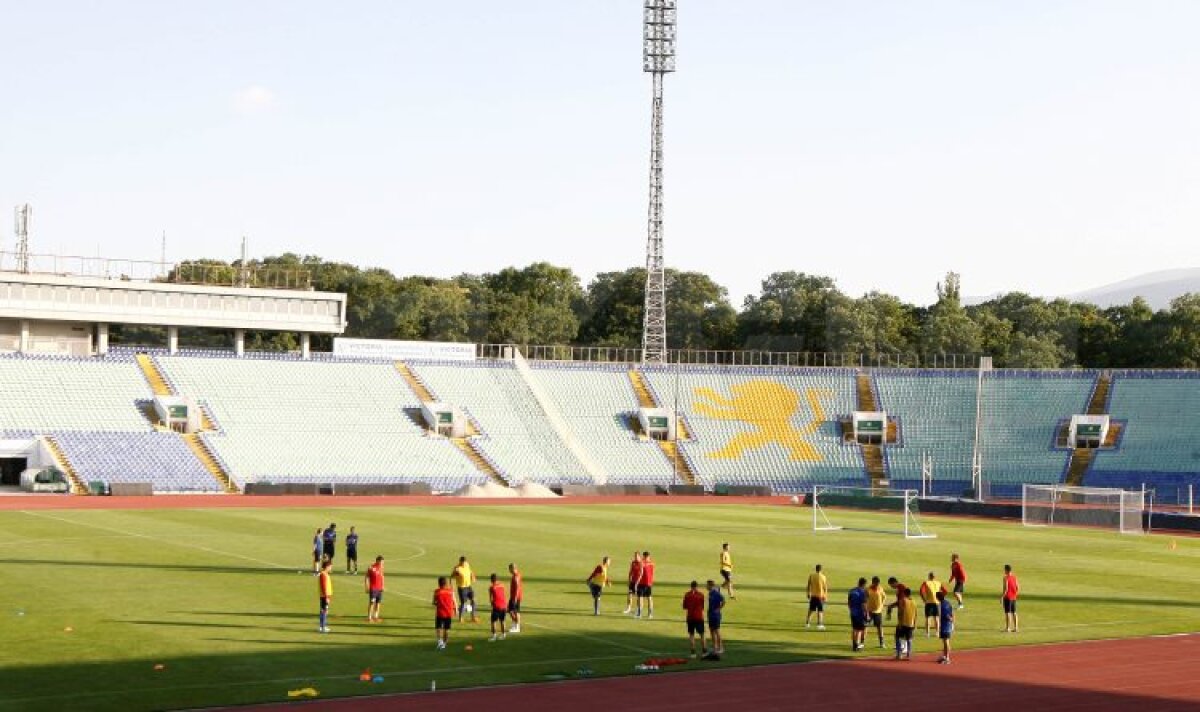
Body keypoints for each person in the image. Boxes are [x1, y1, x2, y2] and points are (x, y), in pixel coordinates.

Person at [682, 580, 707, 658]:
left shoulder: (687, 595)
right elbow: (703, 606)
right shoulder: (701, 595)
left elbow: (684, 606)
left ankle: (693, 653)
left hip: (690, 617)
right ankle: (704, 651)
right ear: (697, 586)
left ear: (691, 586)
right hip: (699, 617)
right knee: (702, 634)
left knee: (691, 635)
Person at [451, 556, 479, 623]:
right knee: (463, 603)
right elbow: (452, 576)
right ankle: (460, 618)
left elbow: (470, 571)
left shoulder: (467, 564)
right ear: (460, 561)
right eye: (463, 562)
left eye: (465, 562)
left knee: (473, 600)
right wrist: (452, 582)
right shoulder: (457, 568)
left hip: (468, 586)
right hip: (462, 588)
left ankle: (473, 617)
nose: (464, 563)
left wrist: (473, 576)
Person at [433, 576, 457, 650]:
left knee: (438, 628)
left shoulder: (437, 592)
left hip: (440, 613)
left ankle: (440, 641)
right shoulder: (451, 591)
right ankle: (444, 644)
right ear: (446, 583)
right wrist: (456, 609)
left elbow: (434, 602)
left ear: (439, 584)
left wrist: (438, 603)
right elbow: (454, 600)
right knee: (446, 629)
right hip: (449, 613)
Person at [918, 572, 945, 637]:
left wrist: (924, 599)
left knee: (928, 618)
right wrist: (941, 598)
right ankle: (937, 633)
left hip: (929, 602)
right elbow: (945, 591)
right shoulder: (938, 583)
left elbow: (921, 591)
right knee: (937, 618)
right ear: (935, 577)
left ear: (929, 576)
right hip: (937, 602)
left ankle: (927, 633)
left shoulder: (926, 582)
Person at [894, 585, 916, 660]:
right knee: (909, 639)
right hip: (911, 623)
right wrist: (914, 624)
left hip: (903, 623)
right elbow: (915, 614)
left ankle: (899, 654)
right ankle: (909, 654)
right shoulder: (914, 602)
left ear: (904, 593)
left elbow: (900, 612)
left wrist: (900, 623)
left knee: (898, 638)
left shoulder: (902, 600)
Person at [866, 576, 888, 648]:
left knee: (879, 627)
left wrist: (882, 605)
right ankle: (862, 642)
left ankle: (882, 643)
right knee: (865, 626)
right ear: (873, 583)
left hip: (878, 611)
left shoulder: (880, 588)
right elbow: (865, 600)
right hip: (869, 611)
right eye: (876, 584)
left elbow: (884, 596)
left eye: (878, 584)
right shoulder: (868, 589)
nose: (877, 585)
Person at [848, 577, 868, 651]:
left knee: (854, 629)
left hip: (853, 612)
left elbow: (849, 603)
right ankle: (857, 645)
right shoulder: (863, 592)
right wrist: (867, 614)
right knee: (859, 630)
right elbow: (864, 605)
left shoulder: (851, 591)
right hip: (860, 614)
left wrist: (851, 610)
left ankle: (854, 645)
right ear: (864, 584)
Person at [805, 564, 828, 630]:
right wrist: (825, 596)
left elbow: (809, 585)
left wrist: (808, 593)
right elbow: (825, 587)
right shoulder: (823, 577)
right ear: (821, 569)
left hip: (813, 595)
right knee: (820, 611)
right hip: (820, 596)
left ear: (816, 569)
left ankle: (807, 623)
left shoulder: (811, 576)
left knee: (811, 610)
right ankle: (819, 624)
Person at [706, 579, 725, 655]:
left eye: (707, 585)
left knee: (717, 631)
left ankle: (721, 648)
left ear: (711, 585)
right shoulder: (710, 593)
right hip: (710, 615)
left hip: (716, 616)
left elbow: (723, 601)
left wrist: (718, 609)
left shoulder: (716, 593)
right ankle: (715, 647)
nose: (706, 586)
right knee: (711, 631)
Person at [487, 573, 508, 642]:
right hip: (504, 605)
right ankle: (503, 635)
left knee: (493, 621)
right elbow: (503, 594)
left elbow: (491, 599)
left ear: (491, 580)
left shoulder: (491, 587)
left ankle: (494, 636)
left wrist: (492, 605)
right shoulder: (502, 585)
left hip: (496, 606)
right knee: (502, 621)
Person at [364, 555, 385, 622]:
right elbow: (367, 577)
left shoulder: (381, 568)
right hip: (373, 588)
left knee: (378, 603)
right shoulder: (371, 567)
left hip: (379, 588)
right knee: (372, 603)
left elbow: (382, 577)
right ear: (377, 561)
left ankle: (376, 617)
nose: (382, 563)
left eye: (383, 562)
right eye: (381, 562)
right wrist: (366, 587)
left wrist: (383, 586)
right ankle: (369, 617)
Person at [937, 590, 955, 664]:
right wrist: (952, 622)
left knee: (946, 642)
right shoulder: (948, 603)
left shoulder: (941, 605)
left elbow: (946, 615)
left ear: (938, 597)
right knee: (945, 642)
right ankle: (945, 656)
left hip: (945, 626)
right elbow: (952, 613)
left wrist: (950, 620)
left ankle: (947, 658)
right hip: (948, 625)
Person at [1002, 564, 1020, 633]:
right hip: (1013, 597)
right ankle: (1016, 628)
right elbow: (1017, 587)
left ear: (1006, 570)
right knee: (1014, 612)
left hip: (1007, 597)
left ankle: (1008, 628)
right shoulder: (1014, 577)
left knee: (1007, 613)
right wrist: (1015, 594)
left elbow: (1005, 589)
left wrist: (1002, 597)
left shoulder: (1005, 578)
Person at [637, 551, 656, 619]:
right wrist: (651, 581)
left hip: (642, 583)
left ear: (644, 556)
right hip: (649, 583)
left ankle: (639, 614)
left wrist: (637, 582)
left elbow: (641, 573)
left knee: (640, 598)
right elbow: (653, 573)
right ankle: (650, 614)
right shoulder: (652, 563)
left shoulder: (642, 563)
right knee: (649, 598)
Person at [317, 559, 333, 633]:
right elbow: (323, 586)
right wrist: (326, 597)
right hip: (324, 596)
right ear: (327, 566)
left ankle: (322, 626)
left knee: (324, 610)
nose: (331, 568)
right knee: (324, 611)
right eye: (330, 567)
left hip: (325, 596)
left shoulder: (325, 574)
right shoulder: (323, 574)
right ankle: (323, 626)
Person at [507, 563, 523, 633]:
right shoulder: (515, 575)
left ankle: (517, 627)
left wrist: (515, 598)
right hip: (513, 597)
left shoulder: (516, 576)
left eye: (509, 569)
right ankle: (514, 624)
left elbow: (517, 588)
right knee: (510, 610)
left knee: (516, 611)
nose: (509, 571)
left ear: (513, 568)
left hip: (515, 597)